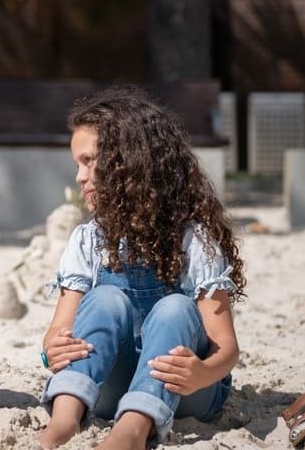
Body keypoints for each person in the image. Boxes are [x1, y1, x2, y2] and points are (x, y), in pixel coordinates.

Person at [37, 87, 247, 450]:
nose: (80, 177)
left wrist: (202, 374)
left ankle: (133, 430)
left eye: (90, 161)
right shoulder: (87, 240)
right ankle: (63, 421)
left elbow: (226, 348)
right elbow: (59, 331)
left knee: (175, 307)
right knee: (104, 299)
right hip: (107, 388)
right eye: (77, 165)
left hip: (185, 392)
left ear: (129, 161)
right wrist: (51, 349)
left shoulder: (194, 239)